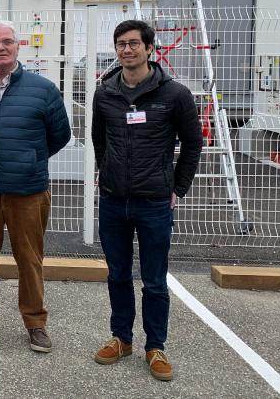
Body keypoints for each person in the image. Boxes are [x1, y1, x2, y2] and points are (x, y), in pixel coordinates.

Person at [91, 19, 203, 381]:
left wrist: (177, 187)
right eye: (121, 43)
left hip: (154, 203)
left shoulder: (175, 95)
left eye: (134, 43)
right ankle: (121, 338)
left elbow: (193, 144)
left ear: (149, 48)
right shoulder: (104, 92)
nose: (127, 49)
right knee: (118, 275)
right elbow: (99, 139)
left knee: (154, 280)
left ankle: (155, 347)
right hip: (112, 201)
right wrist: (105, 173)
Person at [0, 20, 72, 353]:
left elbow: (59, 135)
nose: (1, 48)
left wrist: (30, 158)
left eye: (7, 41)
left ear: (18, 46)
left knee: (30, 260)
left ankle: (35, 322)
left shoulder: (43, 89)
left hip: (28, 193)